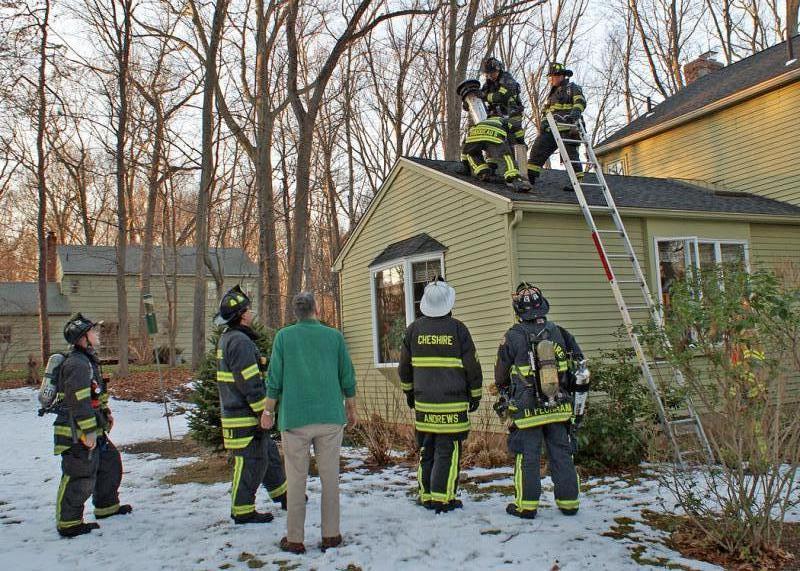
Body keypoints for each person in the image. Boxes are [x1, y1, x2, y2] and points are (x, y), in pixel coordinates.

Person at [263, 292, 357, 555]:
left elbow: (275, 379)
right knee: (330, 478)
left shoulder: (284, 337)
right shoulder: (334, 337)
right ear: (316, 309)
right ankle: (331, 535)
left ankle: (295, 539)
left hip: (295, 419)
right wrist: (351, 407)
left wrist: (267, 411)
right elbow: (346, 375)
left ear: (296, 312)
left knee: (295, 479)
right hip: (329, 418)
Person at [494, 284, 589, 519]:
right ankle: (569, 503)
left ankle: (526, 506)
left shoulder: (512, 336)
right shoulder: (559, 332)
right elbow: (580, 363)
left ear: (518, 309)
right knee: (562, 454)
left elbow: (501, 373)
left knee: (528, 456)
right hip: (559, 406)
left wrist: (505, 392)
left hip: (528, 411)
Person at [398, 279, 483, 514]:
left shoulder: (413, 330)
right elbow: (472, 367)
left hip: (424, 404)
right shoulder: (458, 329)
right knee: (448, 450)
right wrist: (475, 395)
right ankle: (443, 498)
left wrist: (409, 392)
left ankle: (426, 495)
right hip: (453, 405)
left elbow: (404, 367)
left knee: (427, 448)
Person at [54, 313, 131, 537]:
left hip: (92, 430)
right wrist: (87, 432)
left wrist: (105, 416)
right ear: (82, 338)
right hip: (75, 432)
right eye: (93, 331)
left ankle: (106, 507)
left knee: (109, 464)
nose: (97, 334)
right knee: (80, 474)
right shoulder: (77, 365)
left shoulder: (88, 361)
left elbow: (96, 396)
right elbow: (79, 402)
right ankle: (69, 523)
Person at [214, 285, 286, 525]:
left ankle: (284, 495)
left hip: (240, 413)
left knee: (268, 456)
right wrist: (263, 411)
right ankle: (242, 510)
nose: (252, 313)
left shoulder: (231, 339)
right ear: (242, 315)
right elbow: (251, 383)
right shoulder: (240, 343)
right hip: (244, 416)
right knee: (250, 463)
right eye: (249, 309)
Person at [528, 62, 587, 189]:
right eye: (550, 77)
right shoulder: (552, 94)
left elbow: (580, 101)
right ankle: (530, 175)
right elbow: (546, 112)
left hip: (569, 128)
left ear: (561, 76)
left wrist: (576, 111)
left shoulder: (572, 88)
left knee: (570, 154)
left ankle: (576, 182)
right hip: (552, 130)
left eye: (553, 76)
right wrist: (544, 123)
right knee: (538, 147)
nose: (551, 79)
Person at [460, 111, 531, 192]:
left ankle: (483, 173)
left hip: (474, 137)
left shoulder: (480, 123)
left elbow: (466, 150)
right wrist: (522, 142)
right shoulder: (503, 120)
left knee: (472, 154)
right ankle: (515, 179)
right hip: (494, 136)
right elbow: (517, 129)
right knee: (506, 156)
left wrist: (466, 169)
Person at [480, 57, 526, 146]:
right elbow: (481, 95)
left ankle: (521, 151)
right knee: (498, 141)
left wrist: (484, 96)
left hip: (512, 114)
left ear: (498, 70)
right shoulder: (488, 83)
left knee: (516, 139)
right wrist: (471, 99)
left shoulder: (507, 79)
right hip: (497, 116)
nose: (490, 76)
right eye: (487, 74)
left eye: (492, 73)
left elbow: (501, 97)